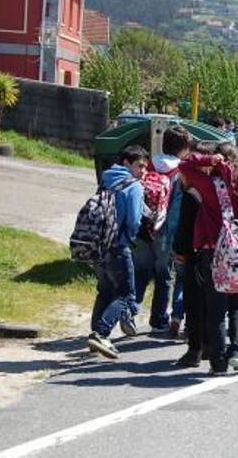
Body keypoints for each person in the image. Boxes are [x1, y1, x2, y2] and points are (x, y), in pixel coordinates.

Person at [179, 142, 238, 375]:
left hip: (214, 252)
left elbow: (184, 164)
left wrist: (207, 160)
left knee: (216, 309)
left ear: (218, 160)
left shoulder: (210, 184)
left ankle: (218, 362)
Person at [87, 145, 149, 359]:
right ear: (126, 163)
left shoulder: (107, 179)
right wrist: (130, 238)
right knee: (126, 295)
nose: (142, 171)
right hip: (119, 245)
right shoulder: (133, 186)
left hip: (99, 245)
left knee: (105, 291)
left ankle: (95, 336)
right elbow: (133, 220)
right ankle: (102, 333)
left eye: (144, 167)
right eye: (139, 165)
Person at [131, 126, 190, 335]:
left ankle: (130, 311)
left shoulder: (149, 165)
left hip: (142, 227)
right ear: (183, 148)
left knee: (140, 272)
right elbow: (174, 209)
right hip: (164, 232)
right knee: (163, 275)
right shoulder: (180, 171)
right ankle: (159, 319)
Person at [173, 141, 216, 367]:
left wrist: (179, 251)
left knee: (194, 302)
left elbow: (184, 226)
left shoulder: (192, 194)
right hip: (217, 253)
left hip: (194, 252)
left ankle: (195, 349)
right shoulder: (220, 188)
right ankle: (210, 345)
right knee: (212, 303)